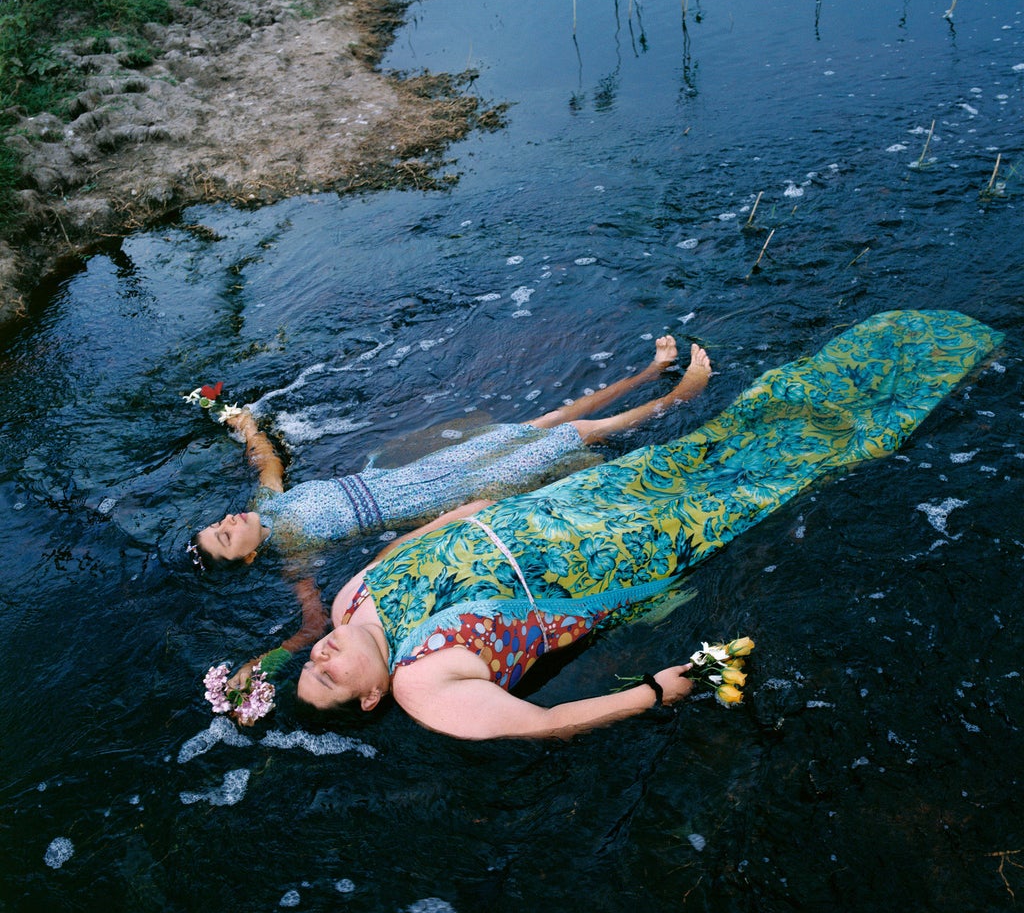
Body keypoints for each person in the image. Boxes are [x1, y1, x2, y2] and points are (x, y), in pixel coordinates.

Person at [287, 309, 1002, 740]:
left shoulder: (352, 600)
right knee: (761, 480)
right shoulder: (424, 690)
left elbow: (436, 529)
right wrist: (666, 687)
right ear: (371, 695)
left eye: (311, 665)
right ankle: (915, 394)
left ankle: (868, 367)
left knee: (714, 443)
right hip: (617, 557)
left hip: (567, 505)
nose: (319, 659)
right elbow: (547, 723)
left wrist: (491, 509)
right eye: (329, 680)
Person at [189, 336, 713, 567]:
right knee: (570, 436)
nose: (228, 522)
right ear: (249, 556)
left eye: (219, 524)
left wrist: (246, 426)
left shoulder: (267, 506)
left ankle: (648, 373)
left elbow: (269, 461)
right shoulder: (294, 554)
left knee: (543, 421)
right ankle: (677, 396)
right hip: (454, 491)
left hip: (431, 466)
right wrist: (270, 661)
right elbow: (312, 624)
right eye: (226, 537)